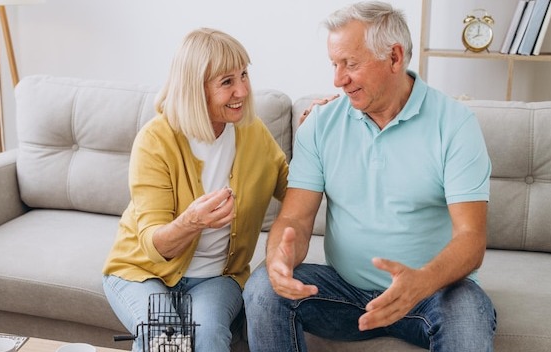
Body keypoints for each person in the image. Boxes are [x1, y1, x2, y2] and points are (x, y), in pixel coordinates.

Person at [243, 2, 497, 351]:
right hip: (345, 292)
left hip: (433, 293)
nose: (338, 79)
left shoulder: (455, 125)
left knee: (469, 312)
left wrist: (420, 283)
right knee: (263, 288)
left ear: (394, 57)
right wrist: (280, 259)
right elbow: (295, 218)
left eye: (351, 63)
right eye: (334, 64)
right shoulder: (320, 124)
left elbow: (471, 239)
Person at [102, 27, 288, 352]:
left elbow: (297, 189)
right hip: (142, 271)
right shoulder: (156, 140)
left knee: (209, 337)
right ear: (194, 89)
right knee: (164, 336)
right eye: (227, 82)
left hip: (217, 278)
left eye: (244, 75)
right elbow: (152, 245)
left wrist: (320, 129)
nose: (243, 91)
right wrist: (192, 222)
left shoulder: (253, 133)